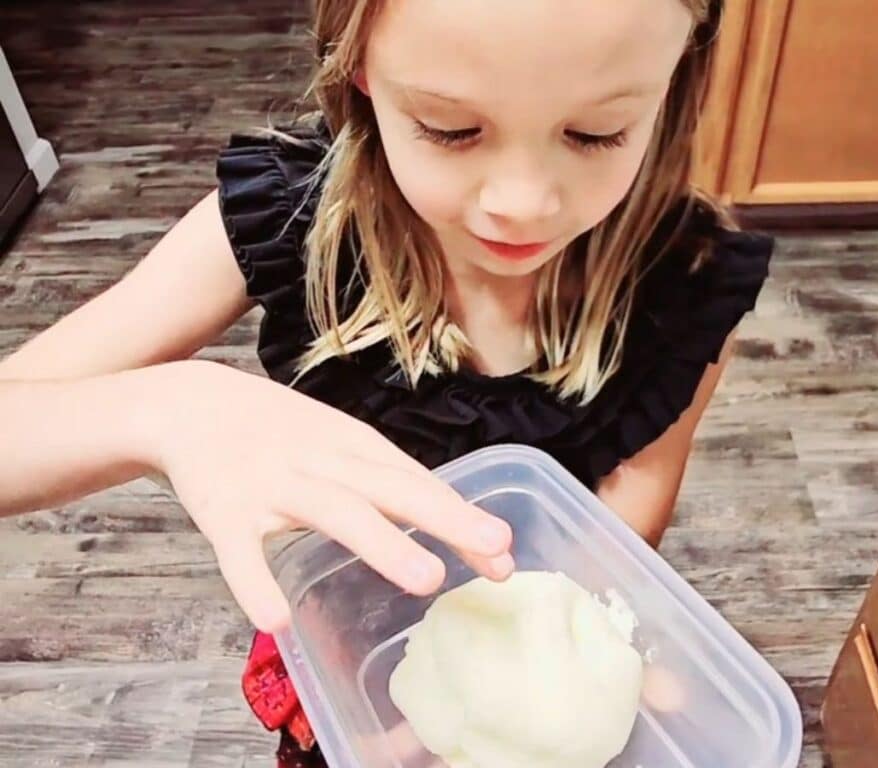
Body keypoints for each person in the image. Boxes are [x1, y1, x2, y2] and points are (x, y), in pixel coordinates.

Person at [0, 0, 772, 763]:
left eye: (597, 132)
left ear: (678, 73)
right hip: (343, 661)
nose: (521, 203)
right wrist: (167, 408)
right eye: (450, 128)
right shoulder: (291, 213)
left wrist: (582, 658)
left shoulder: (692, 282)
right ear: (357, 63)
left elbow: (635, 492)